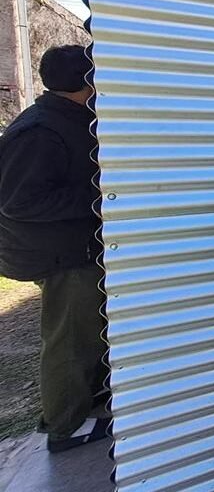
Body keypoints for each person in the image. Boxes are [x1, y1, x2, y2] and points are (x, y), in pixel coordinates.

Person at [0, 44, 109, 452]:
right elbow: (19, 201)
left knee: (89, 330)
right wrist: (98, 197)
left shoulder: (66, 118)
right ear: (86, 82)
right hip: (60, 256)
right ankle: (64, 426)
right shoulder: (40, 131)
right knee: (70, 340)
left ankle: (87, 397)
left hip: (74, 250)